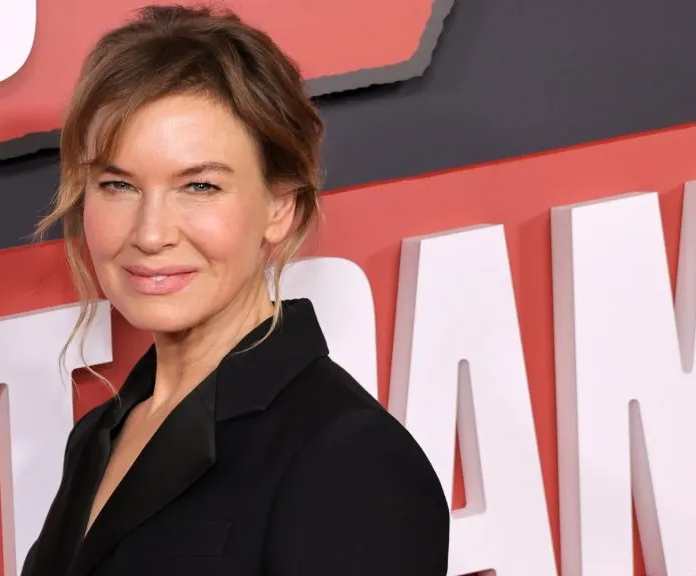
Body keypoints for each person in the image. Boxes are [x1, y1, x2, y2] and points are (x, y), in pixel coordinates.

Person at [22, 5, 450, 575]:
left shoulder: (349, 457)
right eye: (118, 185)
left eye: (199, 186)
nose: (150, 233)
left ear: (280, 207)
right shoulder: (97, 438)